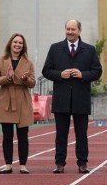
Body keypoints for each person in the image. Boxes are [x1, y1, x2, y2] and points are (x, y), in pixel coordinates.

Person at [42, 19, 102, 174]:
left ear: (79, 31)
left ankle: (82, 163)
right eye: (67, 29)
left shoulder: (89, 50)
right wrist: (60, 74)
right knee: (61, 134)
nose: (70, 32)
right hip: (61, 99)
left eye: (73, 29)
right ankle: (59, 163)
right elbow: (46, 71)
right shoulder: (55, 48)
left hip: (81, 98)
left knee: (81, 134)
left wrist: (83, 74)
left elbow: (97, 71)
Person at [0, 33, 36, 174]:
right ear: (10, 44)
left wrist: (25, 79)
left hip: (23, 99)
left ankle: (23, 164)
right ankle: (8, 164)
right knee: (7, 134)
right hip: (6, 99)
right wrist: (7, 78)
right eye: (15, 42)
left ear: (23, 46)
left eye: (20, 43)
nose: (17, 45)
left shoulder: (28, 62)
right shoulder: (1, 60)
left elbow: (33, 82)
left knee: (23, 134)